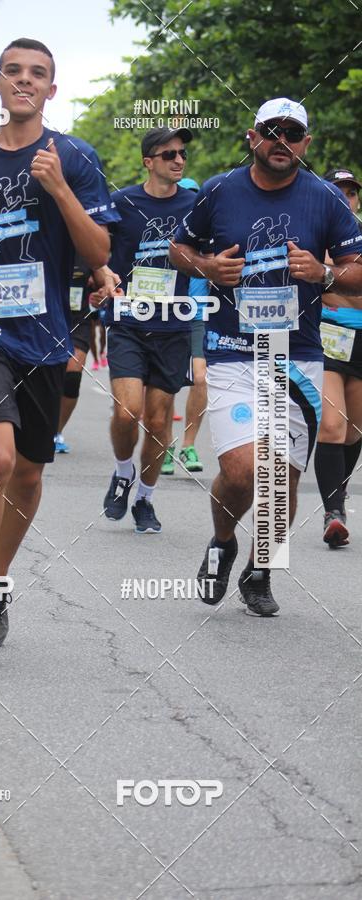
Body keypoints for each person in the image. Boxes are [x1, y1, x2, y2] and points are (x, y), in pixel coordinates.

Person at [0, 37, 118, 658]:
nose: (25, 82)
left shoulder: (76, 159)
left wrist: (60, 189)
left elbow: (98, 255)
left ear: (51, 90)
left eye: (38, 74)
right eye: (14, 72)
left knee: (30, 472)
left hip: (45, 336)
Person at [170, 97, 362, 616]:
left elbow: (357, 271)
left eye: (293, 134)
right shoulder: (218, 190)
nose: (282, 143)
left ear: (306, 143)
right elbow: (178, 250)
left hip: (296, 354)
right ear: (252, 136)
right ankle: (224, 541)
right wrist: (208, 266)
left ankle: (262, 569)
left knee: (284, 478)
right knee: (240, 469)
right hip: (233, 349)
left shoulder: (325, 199)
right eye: (272, 132)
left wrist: (322, 274)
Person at [98, 126, 197, 533]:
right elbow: (96, 248)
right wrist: (102, 271)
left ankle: (144, 499)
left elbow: (212, 250)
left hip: (174, 325)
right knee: (127, 411)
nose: (178, 160)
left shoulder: (197, 203)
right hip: (129, 321)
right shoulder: (121, 203)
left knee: (158, 423)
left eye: (182, 154)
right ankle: (123, 472)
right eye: (169, 154)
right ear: (148, 162)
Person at [314, 167, 362, 547]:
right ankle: (333, 512)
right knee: (333, 425)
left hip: (360, 339)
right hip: (326, 336)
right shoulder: (314, 235)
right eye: (338, 190)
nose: (345, 197)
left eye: (351, 191)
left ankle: (339, 495)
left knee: (355, 431)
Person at [161, 177, 208, 474]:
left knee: (201, 379)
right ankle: (164, 445)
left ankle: (189, 445)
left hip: (200, 315)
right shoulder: (166, 241)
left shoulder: (210, 236)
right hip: (165, 314)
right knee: (165, 386)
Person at [54, 255, 93, 453]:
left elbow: (104, 279)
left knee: (72, 376)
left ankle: (56, 432)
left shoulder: (85, 247)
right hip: (48, 320)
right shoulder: (48, 243)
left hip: (77, 321)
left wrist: (100, 291)